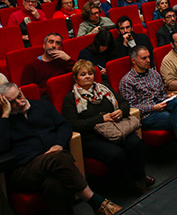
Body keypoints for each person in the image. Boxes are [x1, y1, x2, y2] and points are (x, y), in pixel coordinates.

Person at [0, 82, 121, 215]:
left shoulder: (42, 106)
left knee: (55, 184)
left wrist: (58, 145)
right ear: (3, 104)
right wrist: (5, 115)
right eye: (12, 102)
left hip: (54, 163)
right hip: (23, 170)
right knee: (59, 157)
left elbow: (64, 126)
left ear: (21, 91)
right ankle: (95, 201)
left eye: (19, 96)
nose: (19, 103)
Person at [61, 60, 153, 194]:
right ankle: (129, 183)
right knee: (116, 153)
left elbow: (124, 103)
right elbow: (72, 124)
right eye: (83, 74)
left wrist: (121, 111)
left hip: (115, 129)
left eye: (90, 73)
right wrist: (100, 119)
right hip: (91, 137)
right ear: (75, 78)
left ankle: (140, 178)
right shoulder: (70, 98)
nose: (88, 76)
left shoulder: (104, 89)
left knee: (135, 142)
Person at [119, 46, 177, 162]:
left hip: (162, 105)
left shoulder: (153, 73)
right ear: (134, 61)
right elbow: (131, 107)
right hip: (147, 116)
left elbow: (161, 93)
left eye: (149, 57)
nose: (148, 60)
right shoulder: (127, 81)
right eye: (144, 58)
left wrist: (167, 96)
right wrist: (153, 108)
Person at [21, 33, 74, 98]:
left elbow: (77, 76)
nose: (54, 45)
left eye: (57, 43)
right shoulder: (32, 66)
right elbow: (28, 91)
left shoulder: (64, 61)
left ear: (60, 47)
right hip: (45, 98)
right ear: (44, 45)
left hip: (66, 95)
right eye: (51, 42)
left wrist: (68, 60)